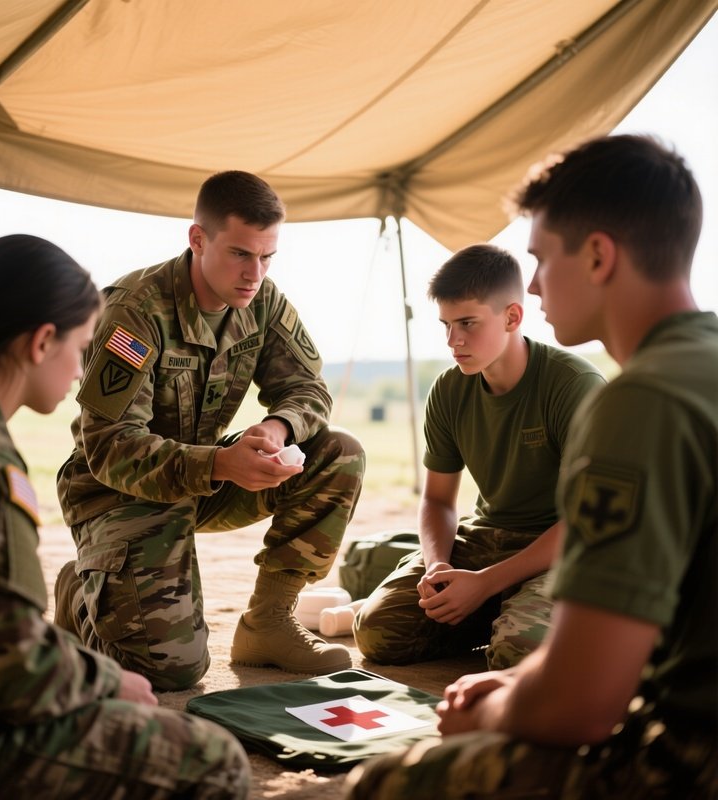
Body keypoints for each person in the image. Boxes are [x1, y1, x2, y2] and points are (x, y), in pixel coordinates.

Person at [344, 133, 717, 799]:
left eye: (543, 259)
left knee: (383, 784)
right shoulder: (699, 367)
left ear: (599, 255)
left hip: (694, 759)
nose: (537, 283)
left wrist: (484, 711)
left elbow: (580, 706)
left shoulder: (637, 401)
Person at [0, 235, 250, 798]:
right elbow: (7, 673)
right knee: (213, 760)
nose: (80, 373)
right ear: (41, 342)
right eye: (81, 346)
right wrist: (106, 681)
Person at [55, 170, 366, 691]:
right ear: (198, 239)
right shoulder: (135, 312)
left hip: (206, 480)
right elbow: (110, 448)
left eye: (268, 257)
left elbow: (311, 390)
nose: (256, 273)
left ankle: (267, 621)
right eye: (241, 254)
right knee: (170, 669)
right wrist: (222, 463)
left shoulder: (263, 302)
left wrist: (277, 426)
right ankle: (78, 596)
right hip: (115, 492)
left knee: (339, 453)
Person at [353, 243, 604, 669]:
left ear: (512, 316)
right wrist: (439, 571)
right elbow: (436, 500)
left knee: (517, 655)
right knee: (377, 633)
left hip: (564, 548)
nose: (454, 341)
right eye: (446, 325)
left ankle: (516, 614)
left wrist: (484, 585)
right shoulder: (449, 390)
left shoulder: (573, 384)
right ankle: (501, 610)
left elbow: (584, 521)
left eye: (467, 323)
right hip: (486, 538)